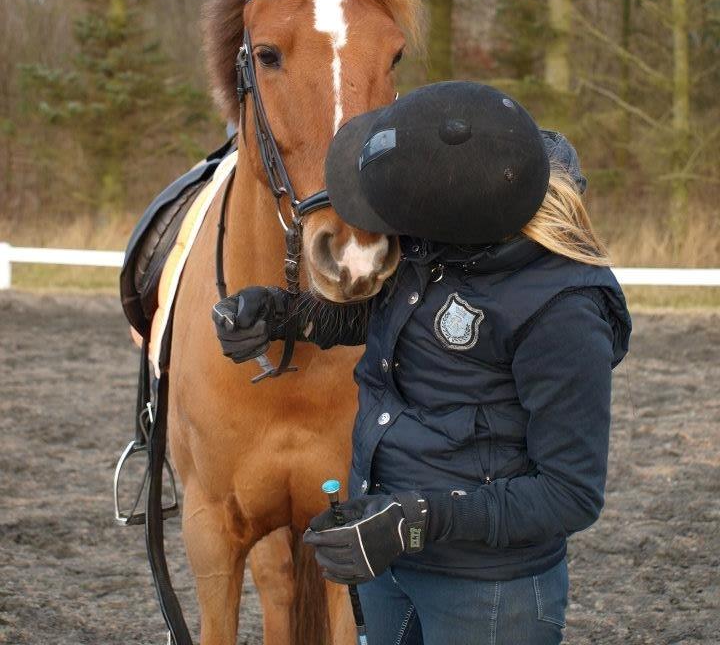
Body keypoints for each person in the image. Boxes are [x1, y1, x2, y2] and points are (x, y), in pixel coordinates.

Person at [212, 81, 631, 645]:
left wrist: (416, 523)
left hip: (487, 594)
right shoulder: (433, 248)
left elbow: (570, 493)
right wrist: (287, 316)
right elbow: (388, 321)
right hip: (387, 567)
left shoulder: (562, 313)